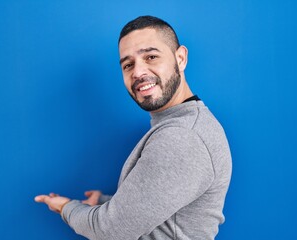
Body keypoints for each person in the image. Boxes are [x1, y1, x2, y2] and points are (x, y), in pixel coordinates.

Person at [35, 15, 232, 240]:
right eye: (128, 65)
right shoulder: (184, 124)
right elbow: (168, 217)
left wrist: (66, 208)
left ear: (181, 58)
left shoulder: (182, 137)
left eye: (151, 57)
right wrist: (106, 203)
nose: (138, 72)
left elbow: (109, 231)